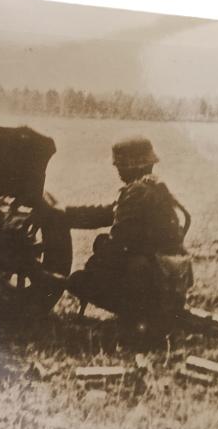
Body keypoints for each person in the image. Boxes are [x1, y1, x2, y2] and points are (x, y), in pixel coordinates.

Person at [59, 136, 193, 340]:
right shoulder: (152, 187)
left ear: (131, 166)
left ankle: (140, 317)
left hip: (153, 281)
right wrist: (64, 214)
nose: (118, 170)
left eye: (119, 165)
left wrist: (89, 272)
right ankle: (146, 313)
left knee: (82, 281)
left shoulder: (137, 192)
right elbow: (107, 213)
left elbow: (118, 246)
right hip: (172, 280)